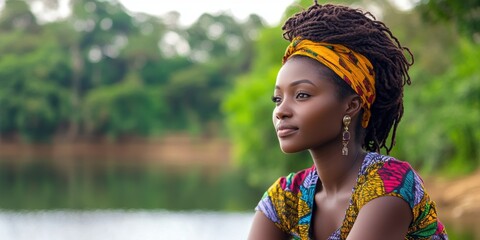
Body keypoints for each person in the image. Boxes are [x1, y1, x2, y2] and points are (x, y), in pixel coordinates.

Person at [247, 2, 448, 240]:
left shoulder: (389, 183)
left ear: (351, 105)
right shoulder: (285, 197)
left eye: (302, 95)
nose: (281, 111)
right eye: (277, 99)